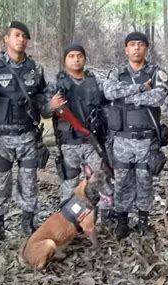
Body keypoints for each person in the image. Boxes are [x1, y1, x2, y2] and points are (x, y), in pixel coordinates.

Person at [0, 21, 49, 241]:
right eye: (17, 35)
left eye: (24, 36)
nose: (21, 39)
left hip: (28, 135)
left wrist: (48, 107)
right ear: (6, 39)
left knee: (29, 183)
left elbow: (43, 97)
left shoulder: (35, 69)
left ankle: (28, 223)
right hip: (1, 137)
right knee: (1, 184)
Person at [103, 32, 168, 240]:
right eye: (132, 45)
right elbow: (110, 93)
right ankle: (122, 222)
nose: (136, 48)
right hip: (122, 138)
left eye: (141, 45)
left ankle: (143, 222)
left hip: (146, 140)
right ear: (126, 49)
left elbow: (159, 96)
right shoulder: (117, 72)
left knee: (144, 180)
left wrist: (129, 97)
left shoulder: (156, 72)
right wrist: (140, 89)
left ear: (146, 48)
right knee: (122, 181)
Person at [47, 43, 115, 229]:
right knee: (69, 184)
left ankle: (101, 221)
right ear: (65, 60)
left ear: (85, 59)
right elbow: (44, 110)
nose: (76, 59)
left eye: (79, 55)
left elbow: (109, 103)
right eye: (71, 56)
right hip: (69, 143)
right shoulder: (56, 84)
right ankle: (69, 223)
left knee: (101, 181)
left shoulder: (96, 81)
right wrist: (50, 105)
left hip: (93, 142)